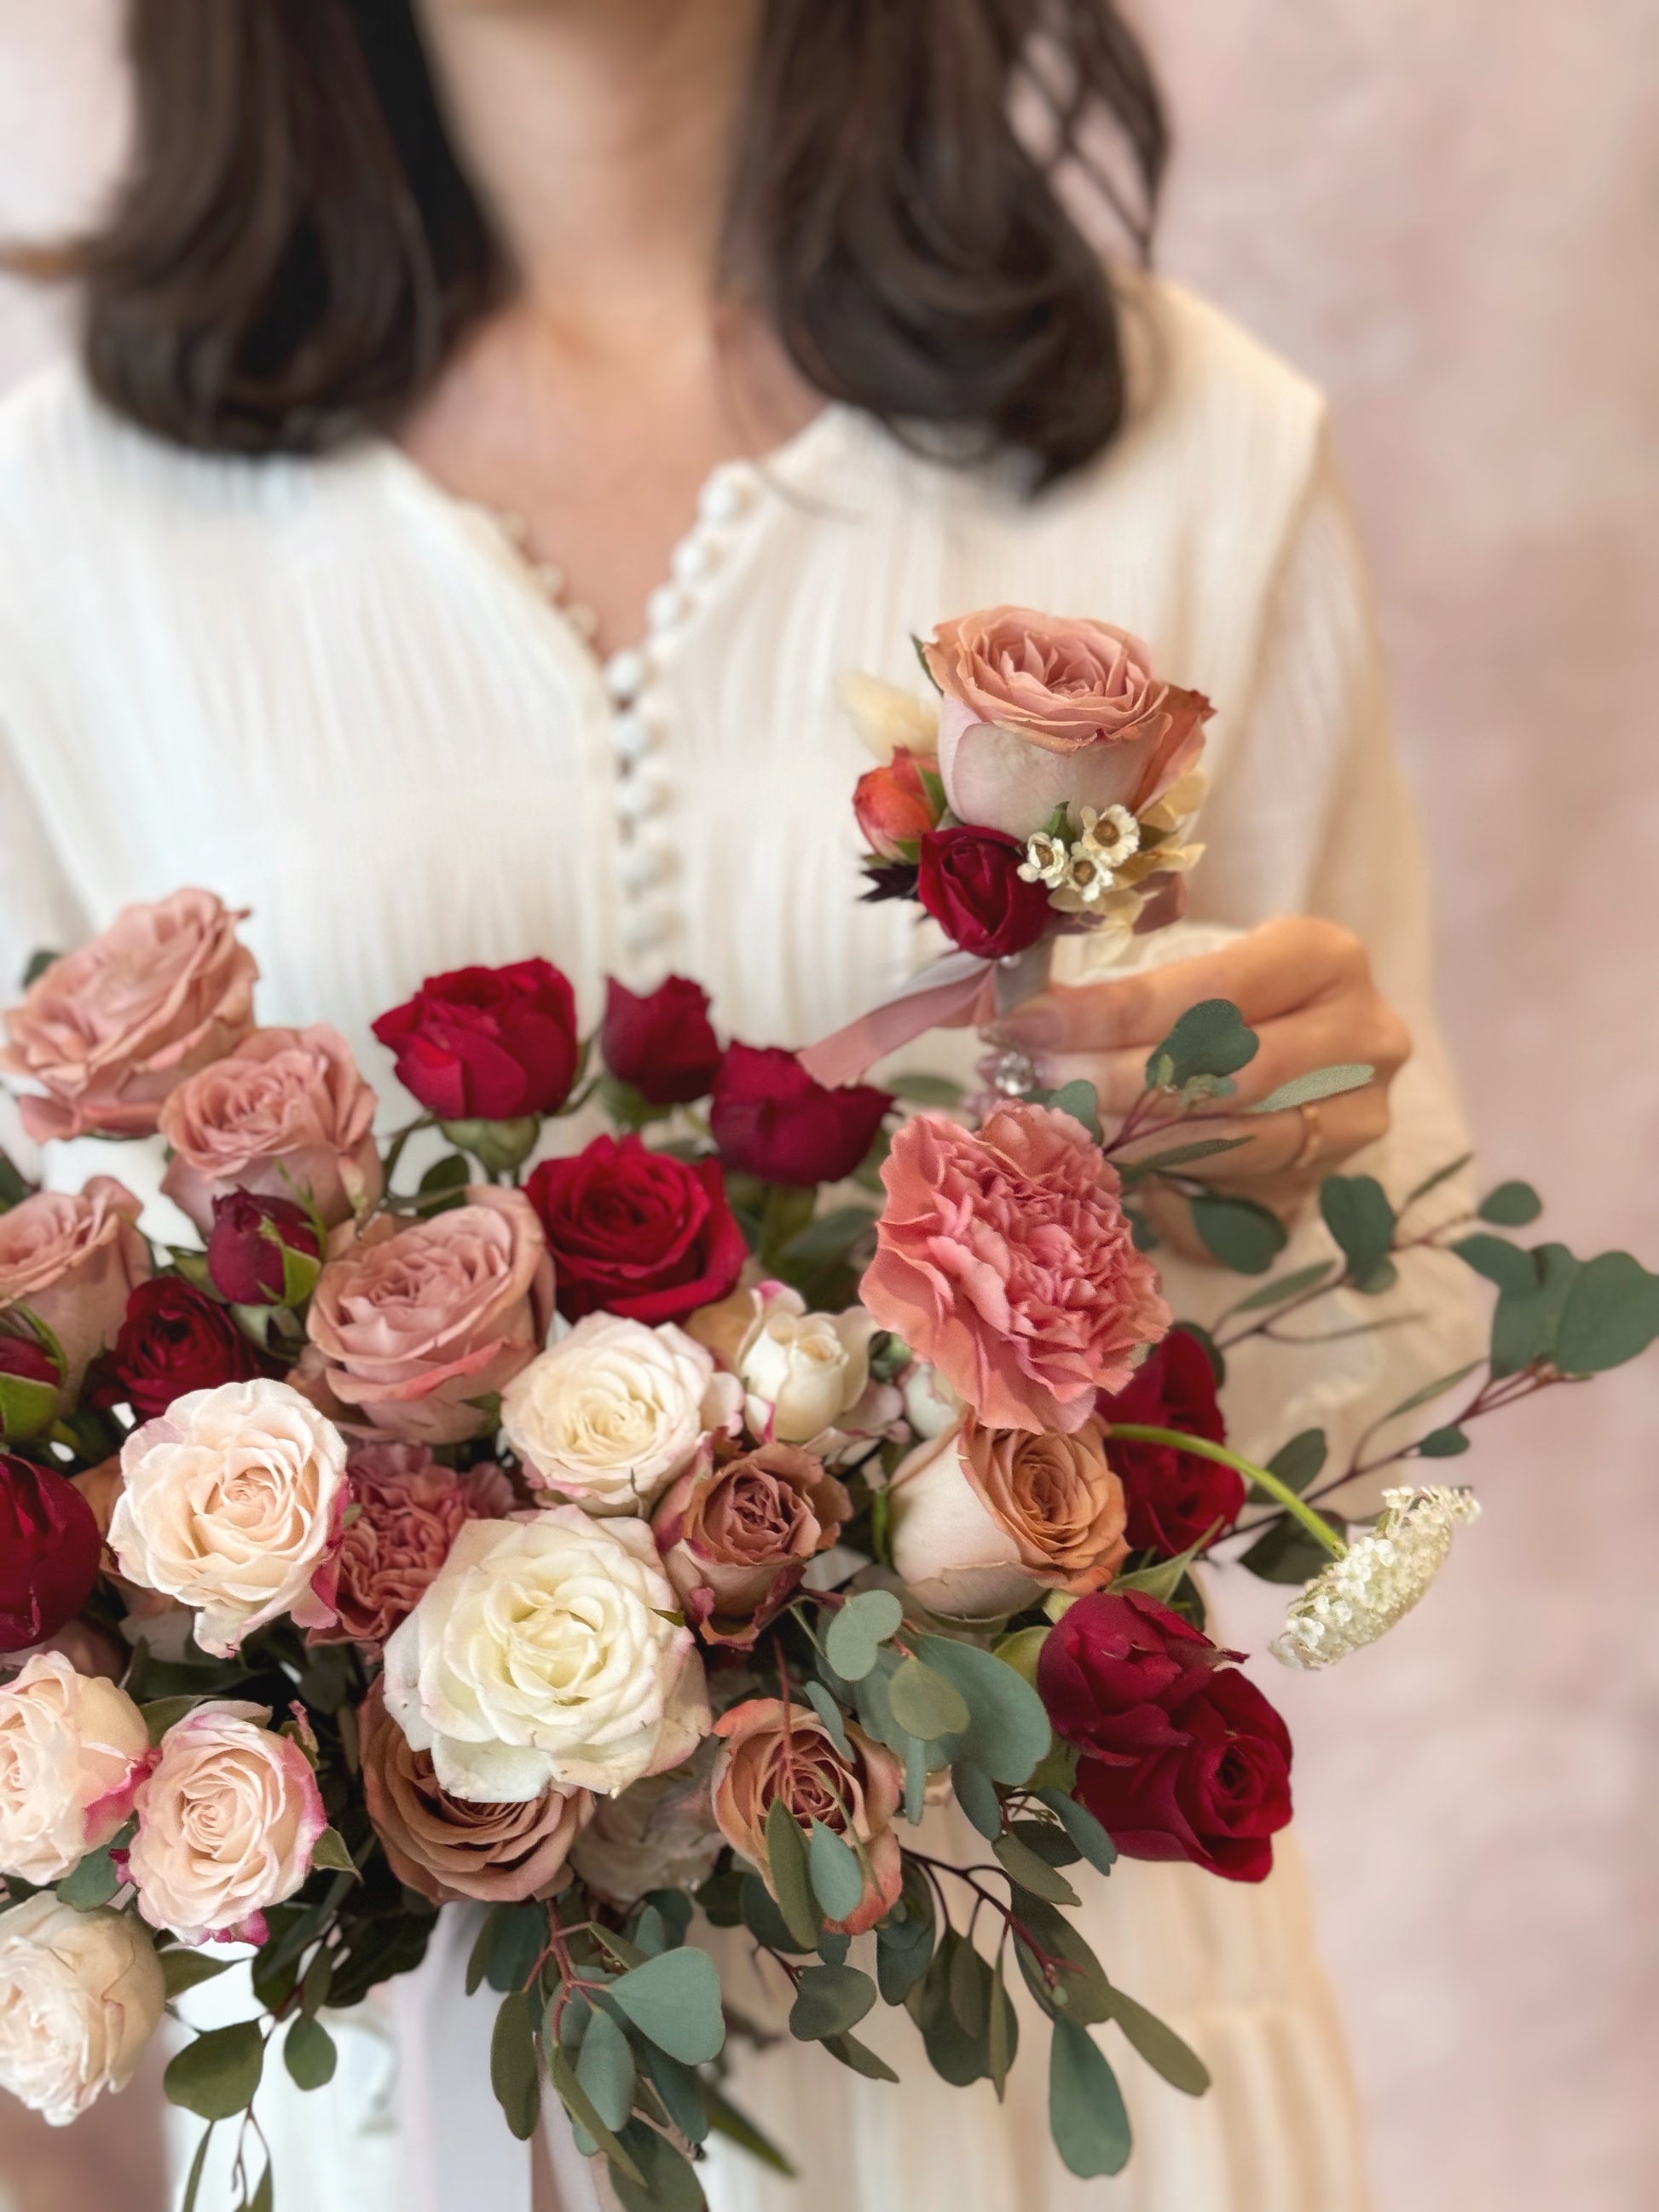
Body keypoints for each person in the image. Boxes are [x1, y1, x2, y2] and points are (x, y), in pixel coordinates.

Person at [0, 3, 1481, 2209]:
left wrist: (1284, 1169)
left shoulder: (1187, 447)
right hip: (389, 2123)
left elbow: (1394, 1361)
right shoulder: (69, 522)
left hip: (1066, 2095)